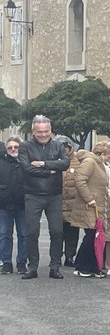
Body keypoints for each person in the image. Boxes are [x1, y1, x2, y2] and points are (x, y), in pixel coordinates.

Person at [18, 116, 70, 280]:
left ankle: (54, 266)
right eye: (39, 132)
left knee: (57, 231)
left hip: (54, 195)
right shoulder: (25, 146)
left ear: (50, 129)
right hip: (33, 195)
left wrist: (43, 164)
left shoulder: (58, 145)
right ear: (33, 131)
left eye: (46, 131)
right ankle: (32, 267)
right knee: (32, 232)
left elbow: (66, 164)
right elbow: (26, 168)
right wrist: (51, 171)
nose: (43, 134)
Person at [68, 144, 110, 278]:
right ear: (102, 154)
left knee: (94, 236)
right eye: (108, 155)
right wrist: (89, 198)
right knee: (91, 236)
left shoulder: (97, 164)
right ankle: (81, 265)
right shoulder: (90, 162)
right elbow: (80, 179)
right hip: (90, 206)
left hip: (96, 206)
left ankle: (91, 266)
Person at [0, 136, 27, 275]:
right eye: (10, 147)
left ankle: (22, 262)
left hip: (23, 205)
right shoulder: (1, 162)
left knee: (24, 235)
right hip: (3, 205)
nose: (13, 149)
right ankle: (6, 263)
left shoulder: (25, 162)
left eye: (16, 147)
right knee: (4, 235)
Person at [59, 137, 81, 268]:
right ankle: (56, 257)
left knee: (72, 233)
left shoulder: (77, 160)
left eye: (66, 147)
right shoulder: (55, 159)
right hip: (58, 202)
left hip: (74, 203)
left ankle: (69, 256)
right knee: (57, 233)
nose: (64, 150)